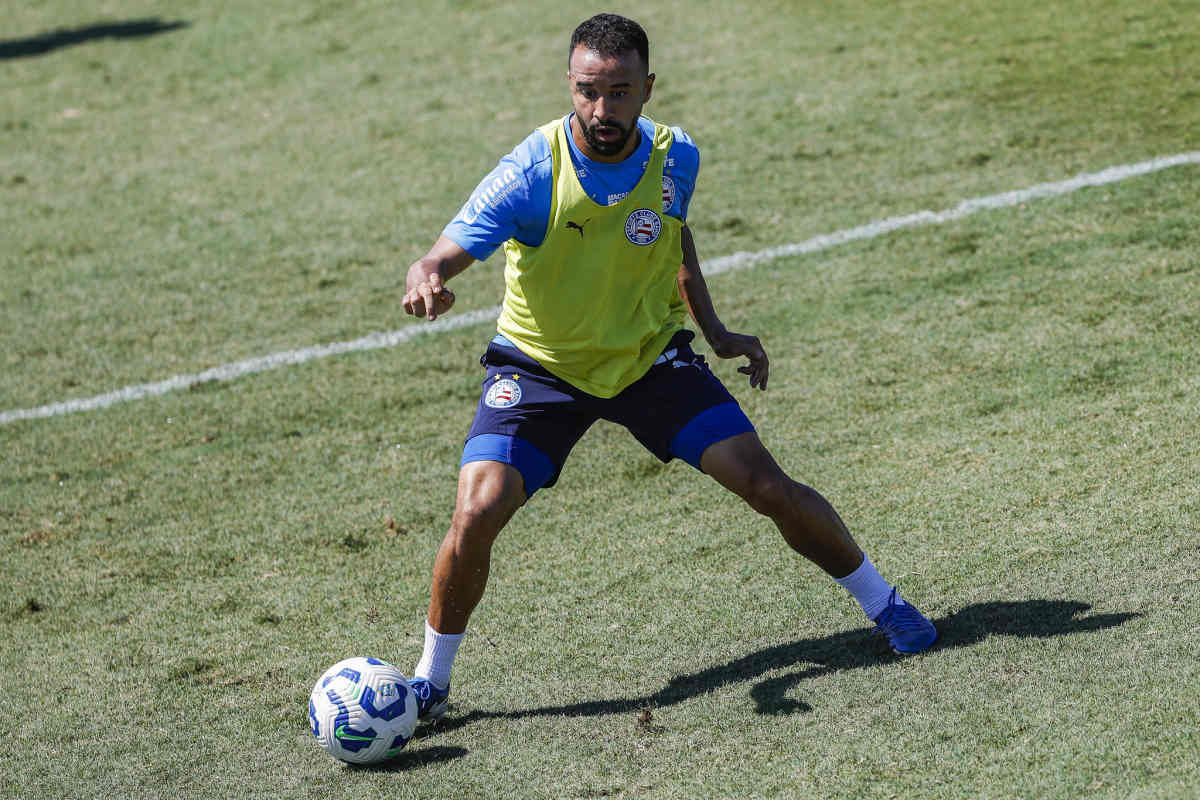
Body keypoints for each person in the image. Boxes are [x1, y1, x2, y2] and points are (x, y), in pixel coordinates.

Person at [400, 13, 936, 720]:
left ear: (648, 88)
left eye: (620, 92)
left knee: (765, 484)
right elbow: (442, 251)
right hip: (540, 369)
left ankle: (886, 605)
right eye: (589, 91)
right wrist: (428, 275)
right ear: (570, 85)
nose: (602, 110)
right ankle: (430, 683)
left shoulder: (677, 157)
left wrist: (713, 329)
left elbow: (671, 234)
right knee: (476, 511)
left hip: (649, 358)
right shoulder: (531, 173)